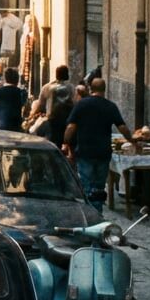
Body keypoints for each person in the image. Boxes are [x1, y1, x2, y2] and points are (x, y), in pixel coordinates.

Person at [63, 78, 137, 212]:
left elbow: (71, 127)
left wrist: (66, 143)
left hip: (85, 152)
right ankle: (97, 212)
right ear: (104, 89)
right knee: (99, 186)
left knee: (86, 185)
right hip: (103, 152)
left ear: (91, 89)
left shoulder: (81, 105)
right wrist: (131, 140)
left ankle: (90, 214)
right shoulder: (110, 106)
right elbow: (122, 127)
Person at [29, 65, 76, 146]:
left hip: (52, 122)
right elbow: (75, 103)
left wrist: (31, 115)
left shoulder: (47, 87)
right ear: (67, 75)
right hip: (67, 122)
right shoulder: (71, 88)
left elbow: (40, 105)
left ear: (56, 74)